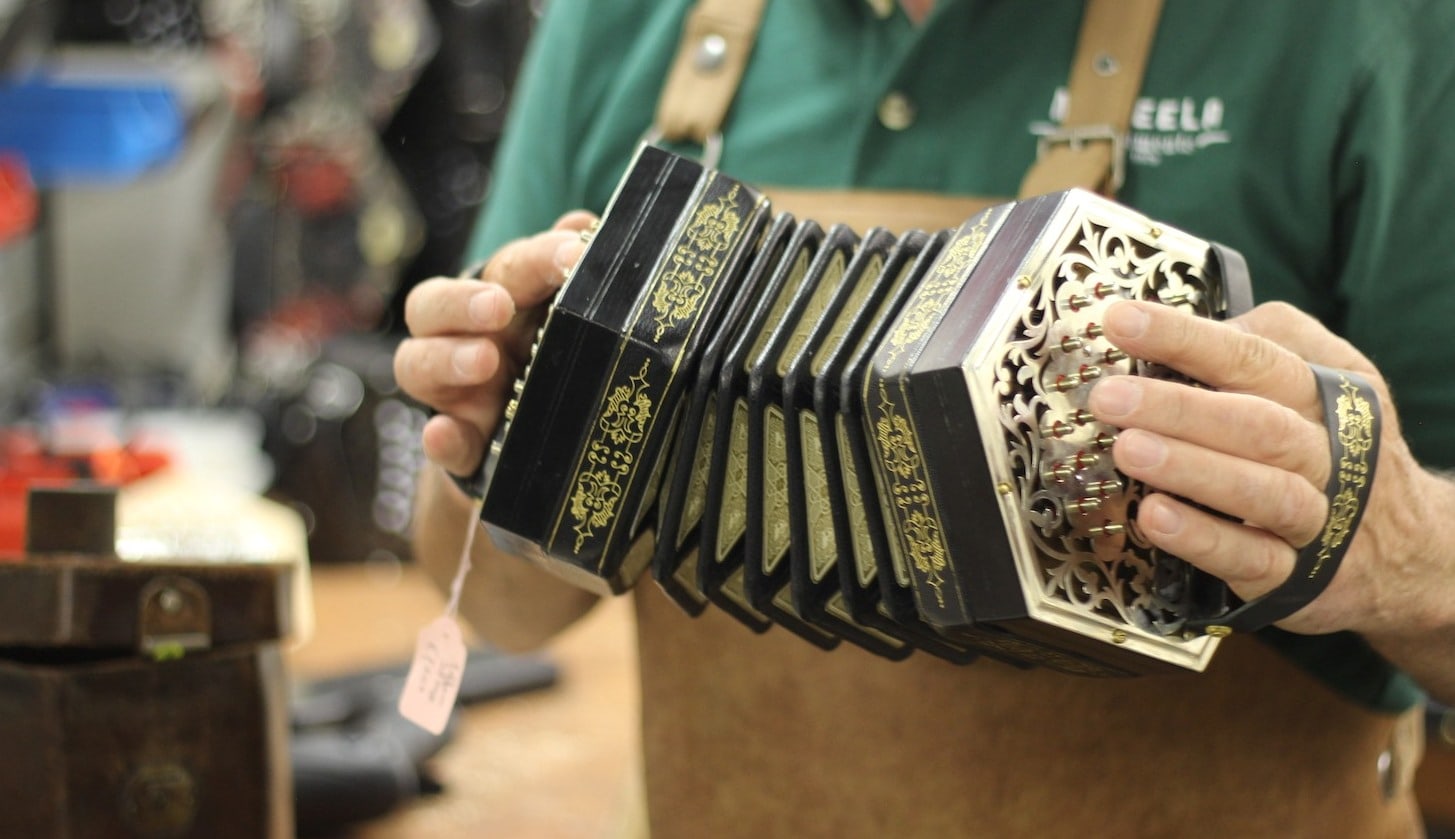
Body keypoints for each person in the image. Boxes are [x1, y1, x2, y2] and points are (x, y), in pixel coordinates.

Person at [393, 0, 1455, 835]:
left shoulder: (1375, 27)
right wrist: (504, 433)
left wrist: (1404, 547)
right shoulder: (621, 19)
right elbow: (507, 612)